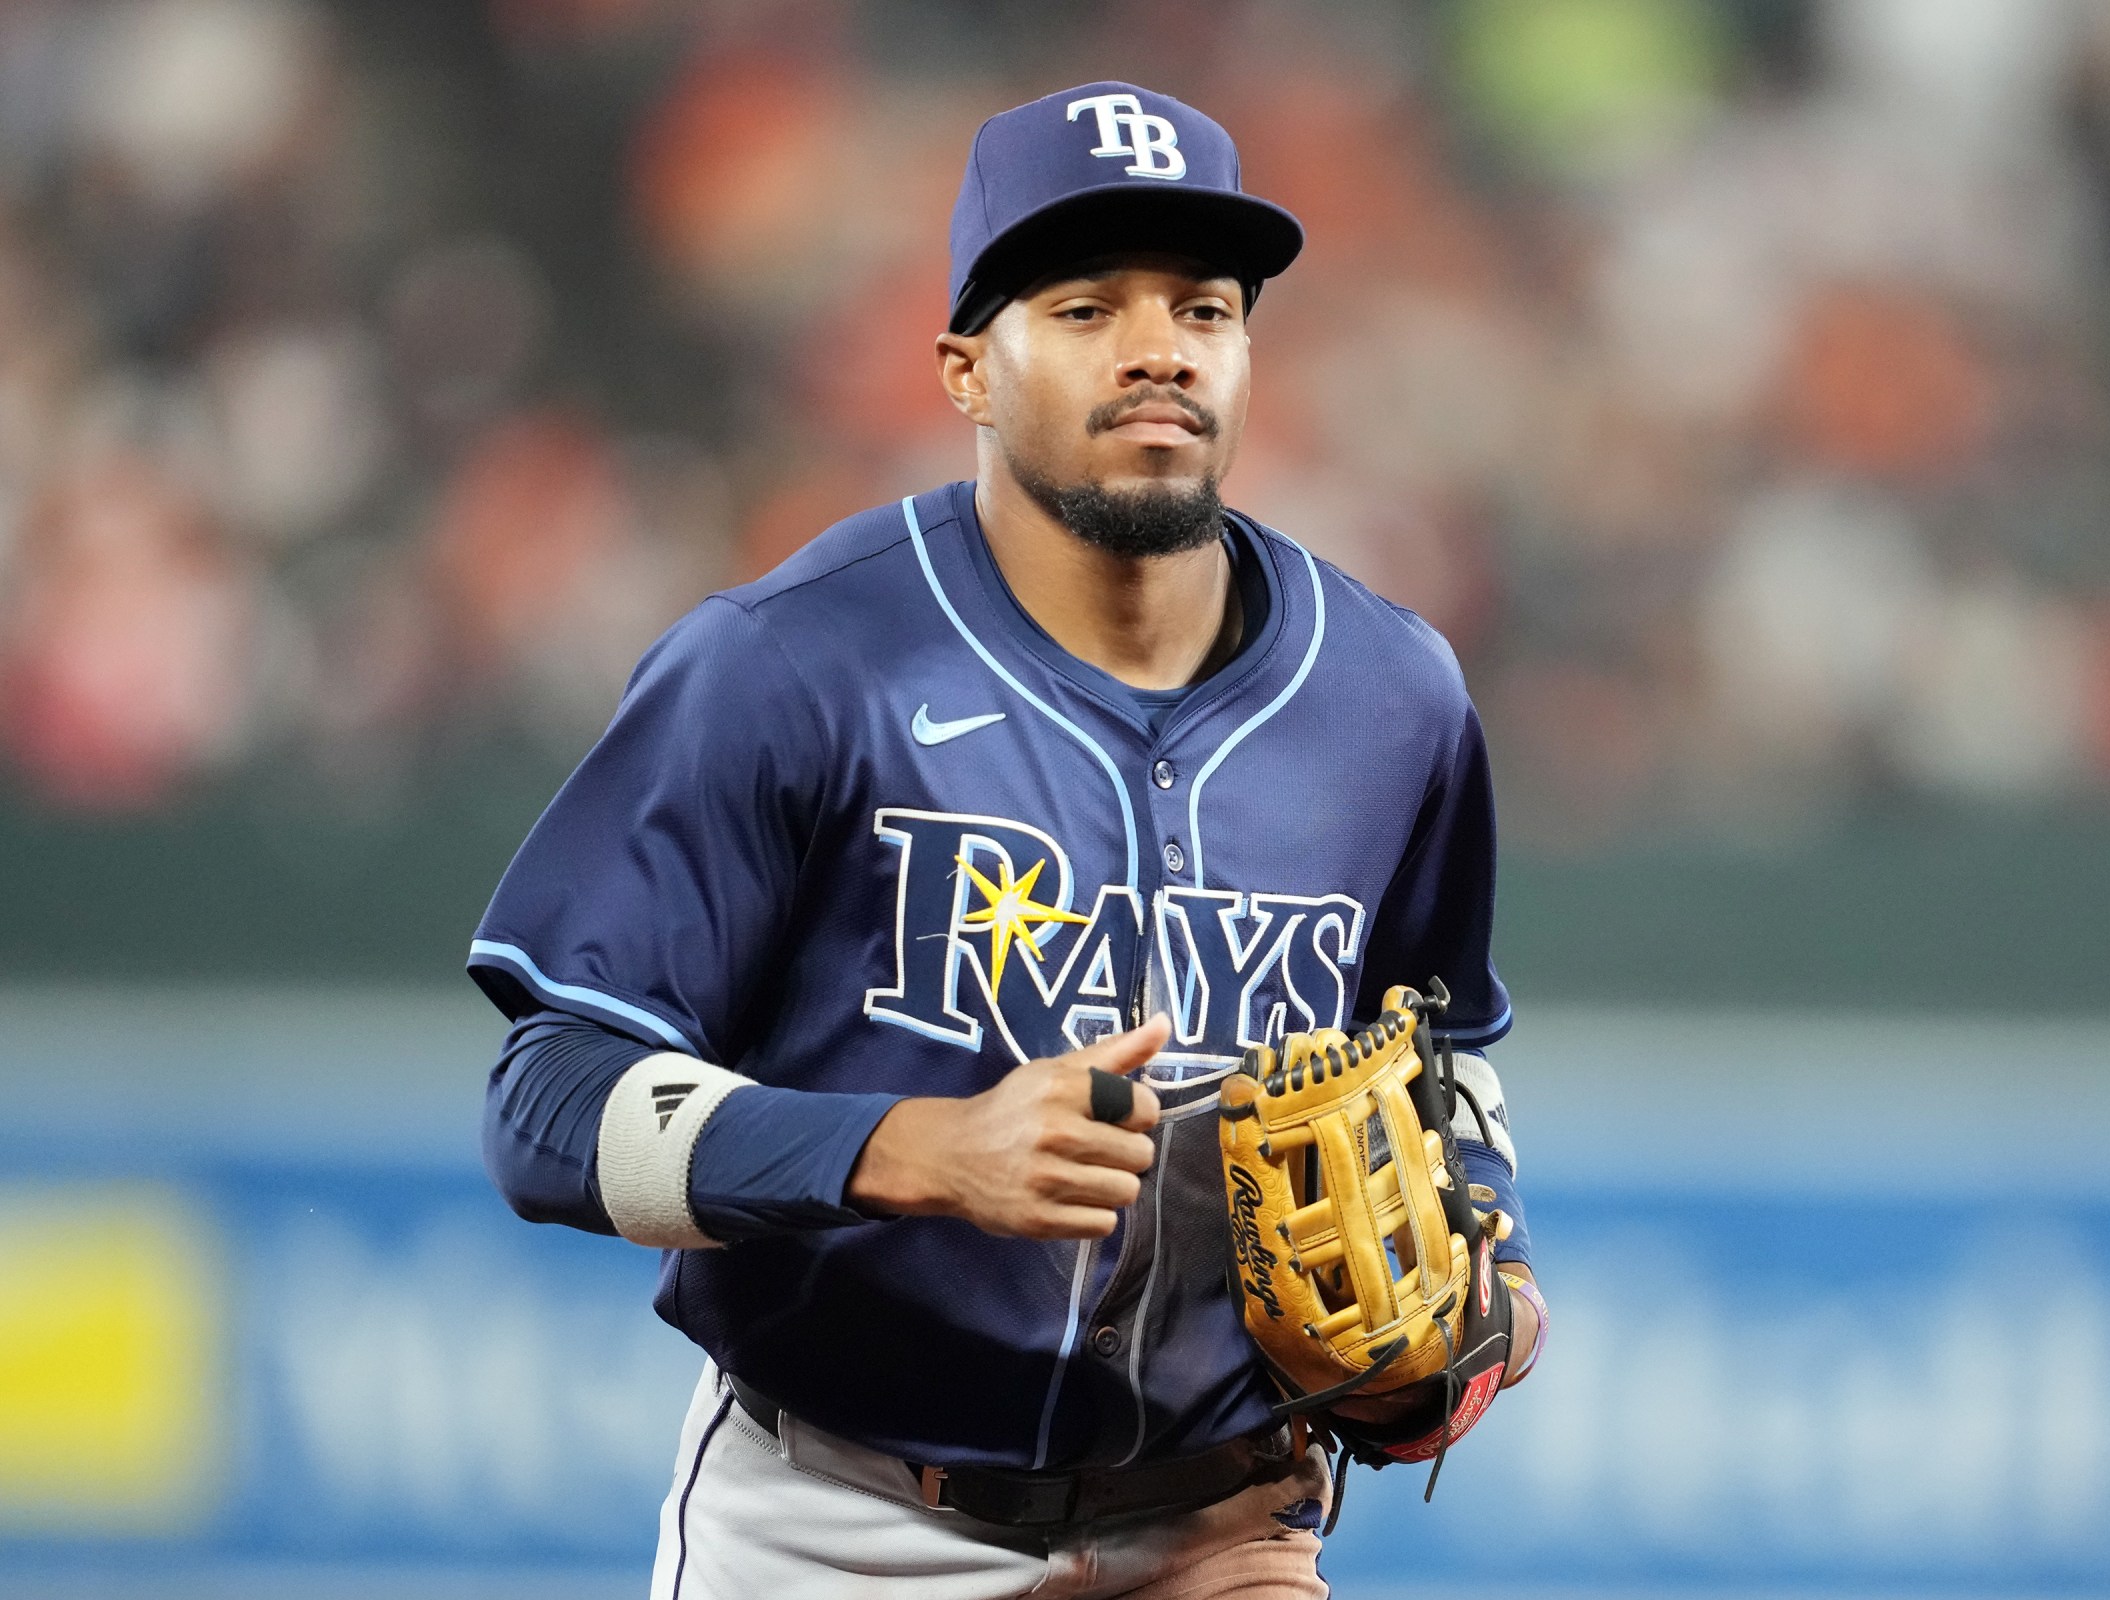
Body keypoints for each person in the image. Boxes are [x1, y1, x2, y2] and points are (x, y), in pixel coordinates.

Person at [470, 80, 1546, 1599]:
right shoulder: (786, 665)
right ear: (968, 367)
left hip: (1223, 1525)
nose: (1160, 347)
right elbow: (546, 1108)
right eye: (1089, 305)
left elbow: (1450, 1058)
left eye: (1206, 308)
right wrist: (912, 1151)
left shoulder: (1392, 700)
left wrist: (1482, 1272)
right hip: (843, 1523)